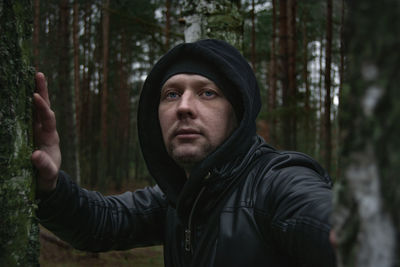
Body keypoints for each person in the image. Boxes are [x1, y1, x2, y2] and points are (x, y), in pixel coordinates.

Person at [33, 39, 335, 267]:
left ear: (238, 115)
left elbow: (325, 219)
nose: (184, 107)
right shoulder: (179, 197)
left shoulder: (275, 183)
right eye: (172, 94)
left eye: (207, 93)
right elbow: (99, 223)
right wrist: (50, 185)